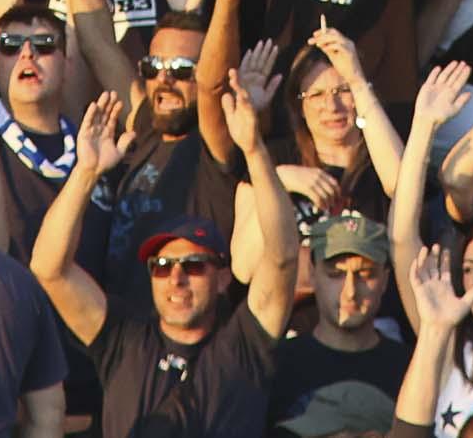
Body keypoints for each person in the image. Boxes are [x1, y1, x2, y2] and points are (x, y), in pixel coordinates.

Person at [31, 78, 296, 438]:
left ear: (222, 278)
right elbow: (49, 269)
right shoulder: (124, 340)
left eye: (194, 266)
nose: (176, 279)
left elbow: (282, 257)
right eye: (161, 267)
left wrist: (253, 150)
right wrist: (85, 173)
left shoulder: (245, 345)